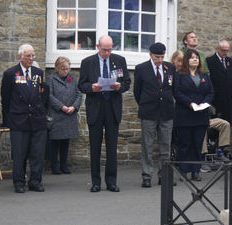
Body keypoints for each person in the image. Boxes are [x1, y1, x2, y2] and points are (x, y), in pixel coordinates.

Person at [78, 35, 131, 193]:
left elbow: (127, 82)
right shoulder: (88, 62)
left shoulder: (119, 60)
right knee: (95, 147)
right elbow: (81, 85)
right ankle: (95, 182)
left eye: (109, 50)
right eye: (104, 50)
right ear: (97, 47)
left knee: (112, 146)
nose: (107, 53)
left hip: (112, 106)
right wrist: (91, 88)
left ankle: (111, 181)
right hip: (95, 106)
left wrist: (118, 86)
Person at [1, 44, 47, 193]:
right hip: (19, 120)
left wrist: (42, 113)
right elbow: (6, 99)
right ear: (20, 56)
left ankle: (35, 181)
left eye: (33, 56)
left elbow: (42, 95)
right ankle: (19, 182)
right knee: (19, 154)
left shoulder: (38, 73)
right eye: (28, 56)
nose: (31, 59)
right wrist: (8, 119)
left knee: (37, 153)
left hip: (37, 119)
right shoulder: (10, 74)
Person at [134, 42, 176, 188]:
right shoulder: (141, 69)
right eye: (157, 57)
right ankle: (146, 175)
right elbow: (137, 92)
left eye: (162, 57)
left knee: (165, 145)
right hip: (148, 111)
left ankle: (163, 175)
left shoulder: (170, 68)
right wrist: (146, 104)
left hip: (166, 111)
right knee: (148, 145)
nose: (160, 60)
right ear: (150, 54)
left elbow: (173, 88)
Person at [174, 49, 214, 181]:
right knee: (185, 143)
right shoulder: (179, 75)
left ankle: (195, 170)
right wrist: (190, 104)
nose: (195, 60)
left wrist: (204, 103)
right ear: (187, 60)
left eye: (197, 57)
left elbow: (210, 92)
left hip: (200, 116)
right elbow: (178, 92)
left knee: (197, 144)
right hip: (185, 114)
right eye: (192, 58)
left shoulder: (204, 75)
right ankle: (183, 170)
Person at [46, 56, 82, 174]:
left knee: (66, 141)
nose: (65, 71)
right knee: (55, 142)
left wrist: (74, 107)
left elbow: (79, 94)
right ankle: (54, 166)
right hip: (56, 114)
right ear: (57, 68)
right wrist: (61, 106)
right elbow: (49, 96)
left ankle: (64, 165)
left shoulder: (73, 79)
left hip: (69, 114)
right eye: (62, 69)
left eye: (67, 69)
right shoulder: (50, 79)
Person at [206, 40, 232, 124]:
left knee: (228, 124)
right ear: (218, 49)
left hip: (228, 100)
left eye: (227, 50)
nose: (225, 52)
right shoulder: (209, 61)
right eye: (223, 50)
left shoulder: (231, 62)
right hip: (216, 99)